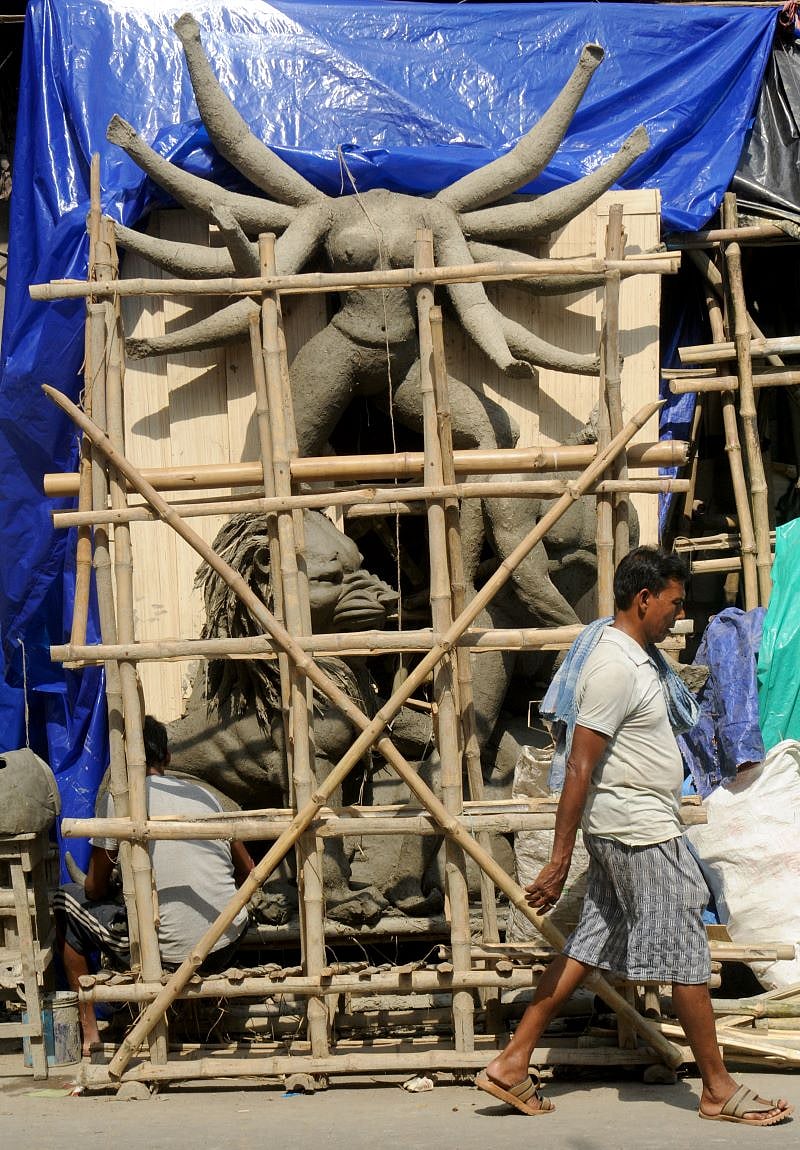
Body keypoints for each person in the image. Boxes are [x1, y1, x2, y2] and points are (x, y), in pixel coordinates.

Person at [477, 547, 793, 1127]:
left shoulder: (635, 657)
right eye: (674, 602)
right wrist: (559, 859)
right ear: (644, 599)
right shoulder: (614, 667)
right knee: (688, 953)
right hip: (639, 833)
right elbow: (580, 764)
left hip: (633, 826)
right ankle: (717, 1088)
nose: (679, 613)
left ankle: (511, 1061)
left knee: (588, 945)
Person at [54, 715, 255, 1055]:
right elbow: (249, 870)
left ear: (121, 762)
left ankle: (89, 1031)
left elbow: (94, 889)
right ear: (168, 757)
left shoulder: (121, 801)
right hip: (226, 940)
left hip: (171, 954)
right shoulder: (205, 796)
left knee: (65, 902)